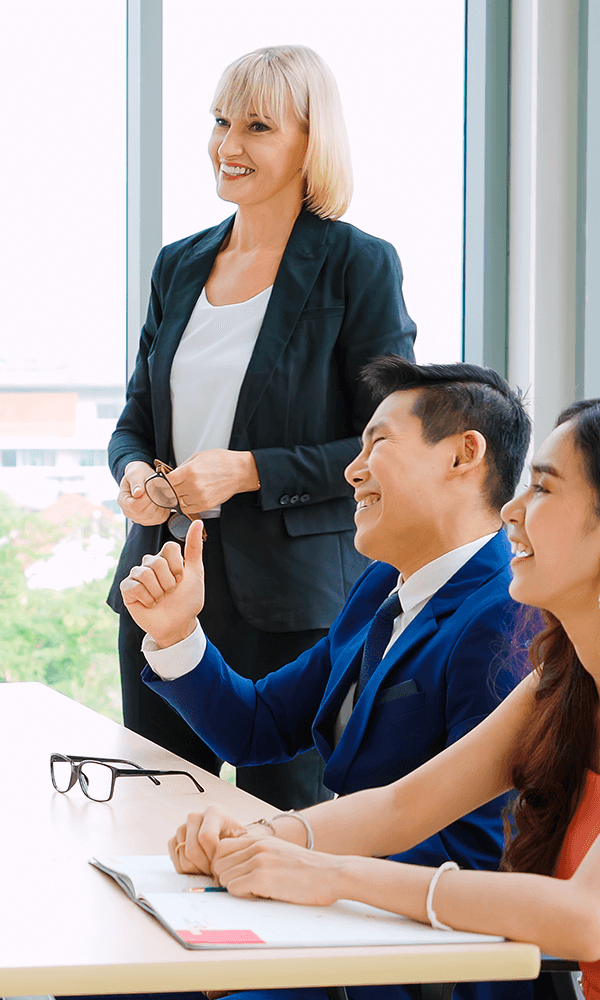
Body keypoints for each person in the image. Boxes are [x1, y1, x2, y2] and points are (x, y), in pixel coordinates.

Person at [113, 358, 531, 1000]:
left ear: (462, 455)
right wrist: (176, 635)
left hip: (405, 960)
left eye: (379, 442)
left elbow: (479, 857)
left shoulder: (506, 615)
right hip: (328, 917)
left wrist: (291, 870)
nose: (352, 469)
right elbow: (258, 728)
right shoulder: (379, 591)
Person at [107, 45, 416, 809]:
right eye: (220, 121)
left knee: (282, 830)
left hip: (291, 608)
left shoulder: (357, 266)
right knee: (156, 816)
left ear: (309, 142)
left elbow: (386, 442)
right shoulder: (179, 266)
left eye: (256, 126)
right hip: (165, 583)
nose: (228, 146)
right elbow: (135, 421)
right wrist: (137, 474)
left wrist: (247, 471)